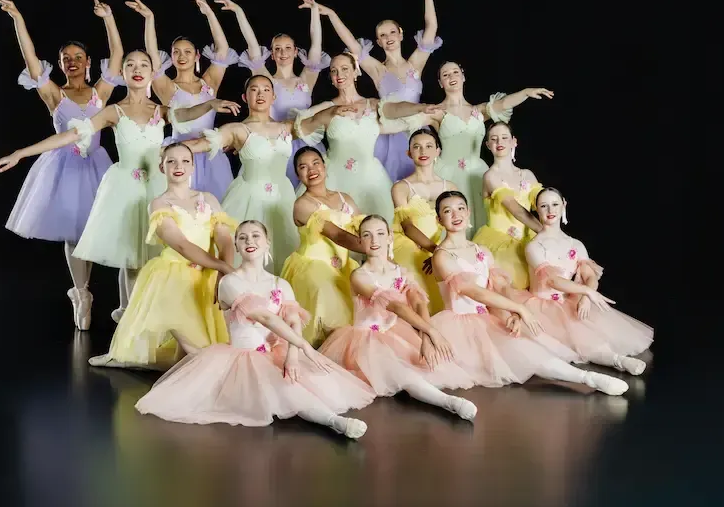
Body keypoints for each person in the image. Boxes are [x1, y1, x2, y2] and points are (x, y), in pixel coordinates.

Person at [135, 220, 374, 439]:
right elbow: (264, 317)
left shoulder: (281, 284)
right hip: (243, 358)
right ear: (237, 247)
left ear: (267, 242)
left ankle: (332, 419)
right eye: (243, 238)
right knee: (286, 391)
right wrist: (302, 346)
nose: (250, 241)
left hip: (279, 352)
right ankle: (335, 422)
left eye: (256, 236)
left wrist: (293, 356)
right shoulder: (230, 282)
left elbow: (293, 321)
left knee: (302, 382)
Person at [0, 50, 170, 323]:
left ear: (152, 71)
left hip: (155, 185)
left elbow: (191, 117)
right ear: (121, 74)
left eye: (144, 64)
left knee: (151, 253)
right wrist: (20, 153)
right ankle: (117, 312)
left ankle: (129, 312)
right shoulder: (113, 110)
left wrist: (211, 105)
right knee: (130, 254)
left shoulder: (162, 111)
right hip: (122, 182)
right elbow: (71, 134)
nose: (137, 68)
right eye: (130, 65)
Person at [0, 0, 122, 329]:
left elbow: (119, 57)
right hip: (64, 168)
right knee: (73, 233)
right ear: (61, 65)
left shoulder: (100, 93)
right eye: (67, 59)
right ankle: (81, 292)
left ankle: (89, 292)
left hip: (96, 166)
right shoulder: (55, 95)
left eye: (79, 57)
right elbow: (32, 61)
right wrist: (18, 18)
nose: (73, 62)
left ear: (89, 61)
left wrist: (108, 18)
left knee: (92, 230)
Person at [430, 191, 630, 395]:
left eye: (460, 208)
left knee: (532, 345)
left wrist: (514, 314)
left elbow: (500, 287)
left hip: (488, 316)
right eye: (448, 211)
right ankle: (587, 378)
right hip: (460, 325)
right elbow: (473, 292)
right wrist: (517, 308)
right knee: (519, 355)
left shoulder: (481, 250)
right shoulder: (442, 256)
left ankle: (590, 377)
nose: (456, 214)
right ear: (439, 219)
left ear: (469, 212)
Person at [87, 140, 237, 370]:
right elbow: (181, 245)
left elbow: (224, 238)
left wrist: (223, 272)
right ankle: (120, 358)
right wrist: (222, 267)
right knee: (196, 346)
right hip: (173, 273)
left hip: (207, 273)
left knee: (190, 353)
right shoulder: (159, 203)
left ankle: (185, 359)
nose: (179, 166)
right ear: (162, 168)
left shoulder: (208, 198)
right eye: (171, 161)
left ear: (193, 167)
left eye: (185, 161)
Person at [320, 215, 478, 420]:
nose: (374, 240)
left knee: (433, 366)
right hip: (366, 340)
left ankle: (440, 395)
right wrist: (432, 332)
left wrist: (426, 337)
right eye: (366, 235)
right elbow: (395, 306)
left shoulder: (400, 271)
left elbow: (419, 302)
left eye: (379, 234)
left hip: (395, 334)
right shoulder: (359, 276)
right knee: (404, 375)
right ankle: (449, 402)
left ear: (389, 238)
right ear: (359, 242)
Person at [379, 61, 553, 234]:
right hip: (448, 172)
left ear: (463, 76)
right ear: (440, 83)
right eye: (445, 75)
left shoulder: (479, 110)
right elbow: (392, 117)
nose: (451, 77)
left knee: (481, 218)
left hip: (477, 172)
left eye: (455, 72)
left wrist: (526, 93)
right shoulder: (437, 112)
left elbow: (505, 103)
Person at [510, 187, 654, 375]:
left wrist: (586, 297)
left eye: (555, 204)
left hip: (570, 299)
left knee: (589, 330)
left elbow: (589, 276)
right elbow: (552, 280)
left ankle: (617, 359)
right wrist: (586, 292)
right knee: (569, 341)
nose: (550, 210)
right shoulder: (534, 246)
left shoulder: (575, 244)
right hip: (542, 306)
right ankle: (616, 361)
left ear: (564, 205)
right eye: (544, 206)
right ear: (537, 210)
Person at [314, 0, 441, 180]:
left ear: (400, 34)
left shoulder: (415, 64)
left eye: (392, 32)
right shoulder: (377, 69)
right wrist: (331, 14)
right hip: (389, 133)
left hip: (417, 127)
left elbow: (431, 27)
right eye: (382, 35)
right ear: (378, 42)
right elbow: (350, 43)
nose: (388, 37)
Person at [125, 0, 239, 200]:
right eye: (176, 52)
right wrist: (149, 19)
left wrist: (209, 14)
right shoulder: (167, 87)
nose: (182, 56)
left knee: (214, 208)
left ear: (196, 56)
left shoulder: (209, 82)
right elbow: (152, 55)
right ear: (171, 55)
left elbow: (222, 49)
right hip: (179, 155)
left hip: (210, 155)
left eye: (187, 52)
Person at [181, 74, 299, 274]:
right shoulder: (237, 129)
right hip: (249, 197)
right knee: (246, 254)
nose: (260, 94)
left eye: (265, 89)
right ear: (245, 97)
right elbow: (200, 144)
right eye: (254, 89)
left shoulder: (287, 126)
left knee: (287, 251)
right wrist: (165, 151)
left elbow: (320, 120)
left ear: (273, 96)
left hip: (283, 196)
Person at [293, 50, 415, 223]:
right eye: (334, 71)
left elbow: (398, 116)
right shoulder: (327, 107)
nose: (339, 75)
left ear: (355, 72)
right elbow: (301, 128)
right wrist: (330, 113)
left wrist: (424, 109)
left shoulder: (372, 105)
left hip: (370, 176)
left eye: (344, 69)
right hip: (335, 176)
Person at [226, 0, 331, 188]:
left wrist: (315, 11)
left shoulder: (306, 77)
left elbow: (317, 43)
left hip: (305, 142)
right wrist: (239, 12)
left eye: (287, 48)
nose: (283, 53)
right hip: (275, 143)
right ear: (272, 54)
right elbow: (251, 43)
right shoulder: (266, 79)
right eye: (277, 49)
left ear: (295, 51)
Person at [280, 147, 364, 346]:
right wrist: (370, 248)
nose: (311, 169)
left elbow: (363, 228)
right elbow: (337, 234)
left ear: (324, 166)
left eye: (315, 163)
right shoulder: (302, 205)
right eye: (303, 167)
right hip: (313, 264)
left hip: (343, 265)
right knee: (325, 292)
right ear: (298, 175)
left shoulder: (345, 198)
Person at [472, 122, 546, 288]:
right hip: (500, 243)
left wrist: (555, 203)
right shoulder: (490, 176)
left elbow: (541, 202)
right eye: (494, 138)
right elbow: (516, 210)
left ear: (514, 141)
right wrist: (546, 232)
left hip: (529, 237)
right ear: (488, 145)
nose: (500, 142)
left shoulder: (527, 174)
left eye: (505, 137)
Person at [390, 126, 456, 314]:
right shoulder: (401, 187)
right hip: (408, 244)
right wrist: (437, 252)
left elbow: (454, 223)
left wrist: (442, 250)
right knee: (416, 276)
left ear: (438, 151)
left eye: (428, 146)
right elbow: (407, 227)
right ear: (409, 153)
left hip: (437, 246)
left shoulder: (449, 186)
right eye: (417, 147)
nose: (423, 151)